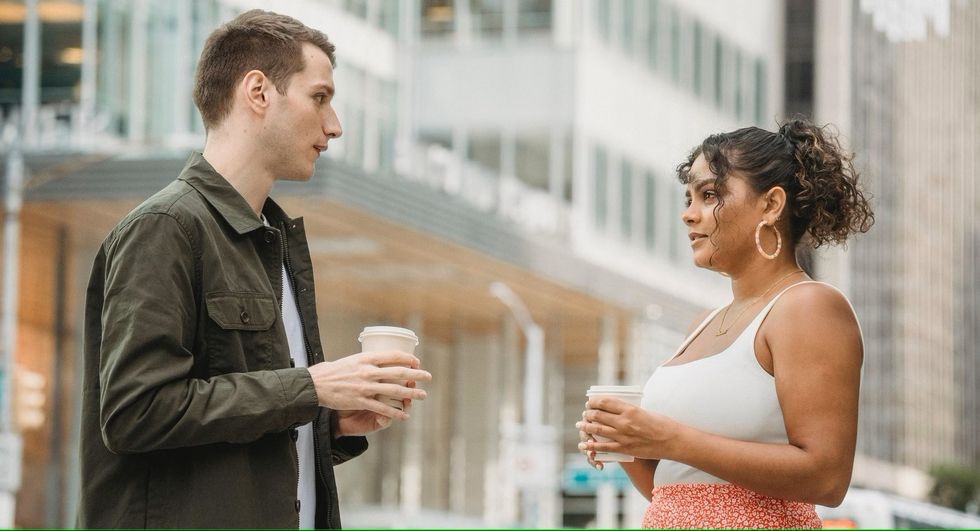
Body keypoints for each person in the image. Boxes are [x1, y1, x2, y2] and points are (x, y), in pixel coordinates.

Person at [77, 10, 432, 529]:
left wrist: (326, 423)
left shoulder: (274, 241)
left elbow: (243, 437)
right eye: (320, 97)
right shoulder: (166, 228)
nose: (334, 126)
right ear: (259, 92)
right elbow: (136, 412)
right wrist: (309, 388)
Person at [577, 118, 874, 529]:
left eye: (710, 194)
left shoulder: (809, 307)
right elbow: (683, 491)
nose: (688, 215)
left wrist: (668, 438)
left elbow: (827, 477)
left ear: (770, 205)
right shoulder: (703, 324)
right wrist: (626, 445)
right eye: (688, 197)